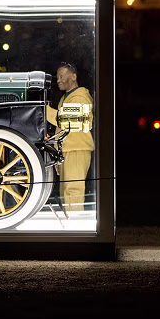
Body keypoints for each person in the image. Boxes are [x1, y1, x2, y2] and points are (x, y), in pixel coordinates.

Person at [46, 62, 94, 213]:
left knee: (73, 189)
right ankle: (71, 222)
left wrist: (43, 110)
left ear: (74, 77)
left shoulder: (81, 97)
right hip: (68, 148)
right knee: (66, 190)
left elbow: (68, 119)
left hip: (77, 148)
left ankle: (76, 224)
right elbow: (64, 126)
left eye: (62, 76)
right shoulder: (67, 98)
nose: (59, 80)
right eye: (57, 77)